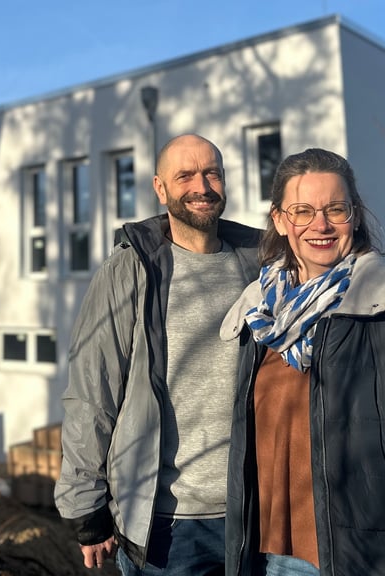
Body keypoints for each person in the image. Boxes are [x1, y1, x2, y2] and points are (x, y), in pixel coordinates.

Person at [219, 148, 385, 575]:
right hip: (261, 558)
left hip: (363, 565)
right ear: (279, 220)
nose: (321, 225)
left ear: (356, 216)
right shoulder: (258, 321)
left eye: (336, 209)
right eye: (303, 211)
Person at [55, 133, 262, 575]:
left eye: (212, 173)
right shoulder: (131, 268)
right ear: (160, 188)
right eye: (185, 175)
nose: (201, 187)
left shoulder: (260, 265)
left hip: (253, 515)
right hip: (165, 526)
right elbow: (94, 389)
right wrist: (85, 507)